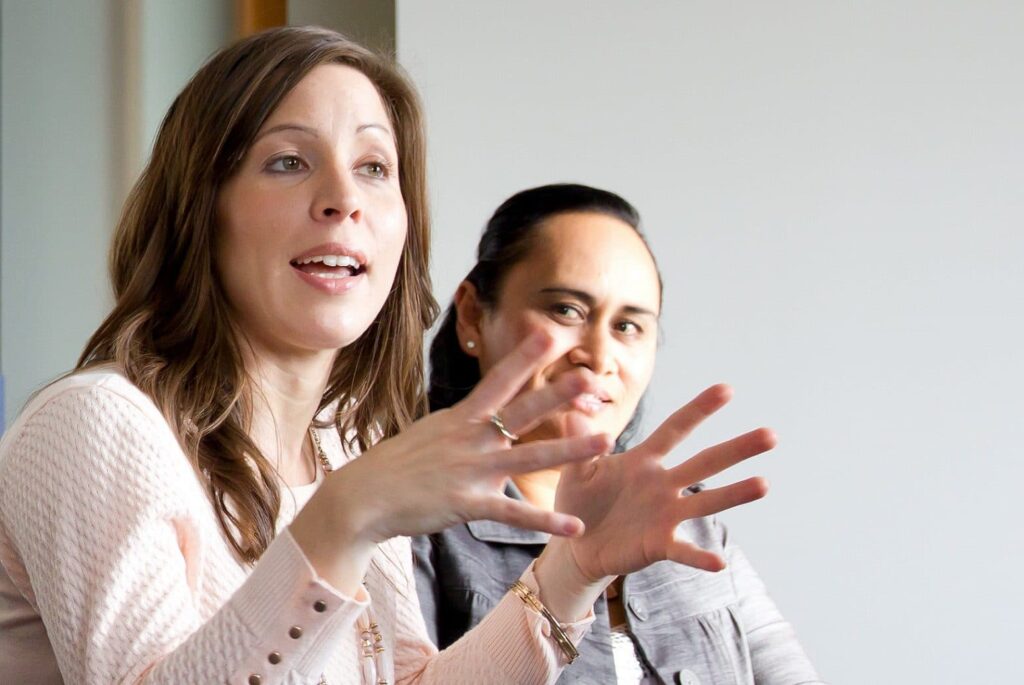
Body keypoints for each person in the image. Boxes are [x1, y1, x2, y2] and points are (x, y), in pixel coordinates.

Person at [0, 27, 771, 685]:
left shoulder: (344, 444)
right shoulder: (98, 423)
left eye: (374, 167)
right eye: (287, 161)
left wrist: (573, 571)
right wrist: (343, 517)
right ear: (201, 207)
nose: (345, 198)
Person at [414, 184, 824, 685]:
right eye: (566, 309)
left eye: (628, 326)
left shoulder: (690, 522)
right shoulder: (410, 520)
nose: (600, 356)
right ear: (473, 315)